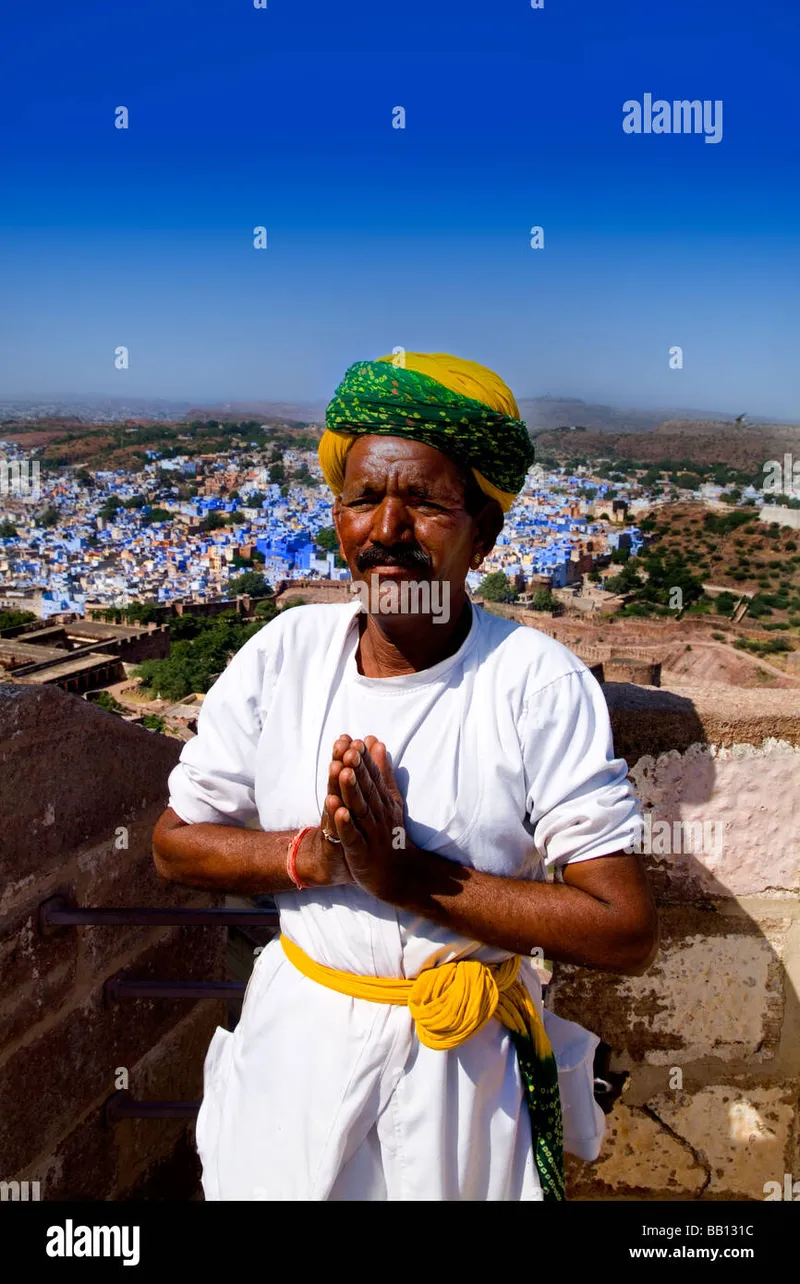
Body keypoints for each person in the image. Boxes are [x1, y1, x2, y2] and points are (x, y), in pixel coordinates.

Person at [152, 351, 657, 1202]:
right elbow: (174, 847)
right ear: (339, 519)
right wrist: (316, 857)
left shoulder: (535, 682)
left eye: (422, 502)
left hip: (459, 1075)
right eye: (362, 500)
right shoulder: (285, 656)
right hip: (296, 1052)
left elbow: (622, 928)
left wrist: (408, 877)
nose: (385, 528)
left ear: (484, 535)